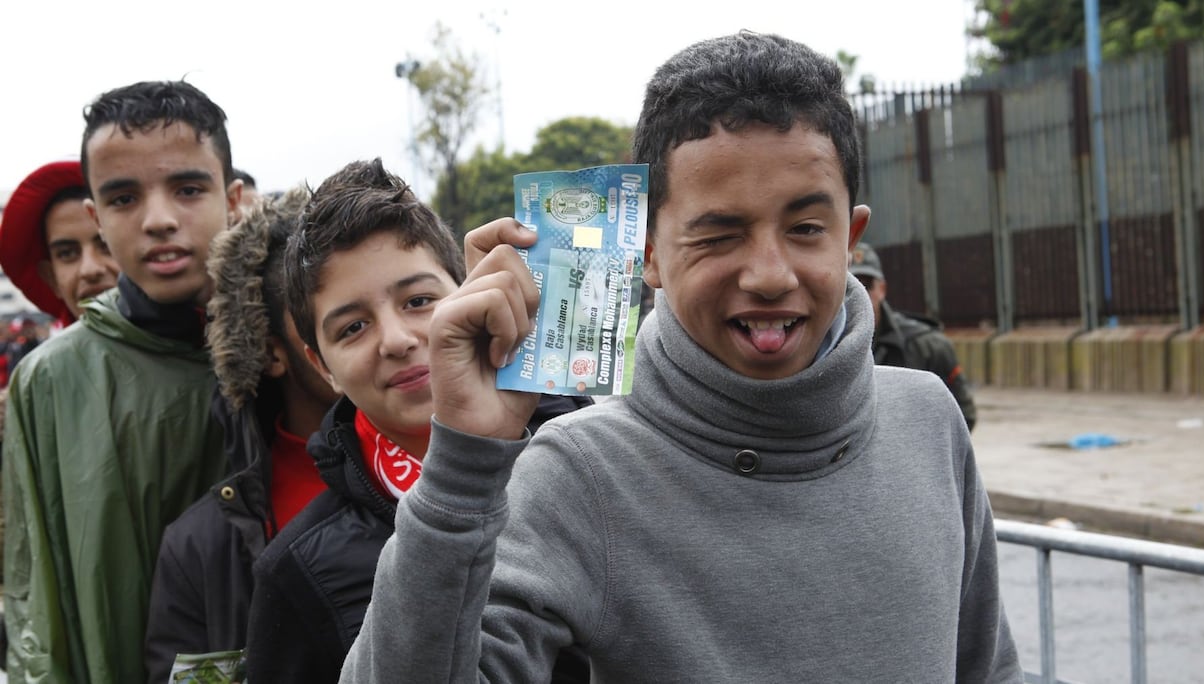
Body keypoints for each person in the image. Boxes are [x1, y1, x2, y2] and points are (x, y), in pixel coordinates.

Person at [340, 31, 1022, 682]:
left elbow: (987, 669)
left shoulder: (928, 418)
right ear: (649, 257)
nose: (769, 274)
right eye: (719, 236)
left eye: (807, 228)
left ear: (851, 238)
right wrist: (463, 466)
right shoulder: (579, 474)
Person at [243, 158, 592, 684]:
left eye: (419, 300)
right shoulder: (298, 570)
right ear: (321, 366)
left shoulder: (588, 451)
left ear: (473, 289)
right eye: (353, 327)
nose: (397, 339)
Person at [3, 79, 242, 682]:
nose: (158, 220)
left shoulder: (298, 350)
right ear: (96, 217)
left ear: (233, 199)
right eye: (124, 198)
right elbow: (35, 594)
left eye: (188, 189)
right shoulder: (50, 381)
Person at [143, 185, 339, 683]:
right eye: (335, 316)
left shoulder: (493, 459)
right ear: (272, 352)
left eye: (413, 300)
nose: (391, 335)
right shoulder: (200, 546)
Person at [849, 241, 977, 430]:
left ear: (882, 289)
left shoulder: (928, 346)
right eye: (849, 285)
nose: (859, 294)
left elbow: (963, 415)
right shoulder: (820, 347)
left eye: (866, 285)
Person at [0, 159, 121, 325]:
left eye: (106, 244)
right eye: (67, 253)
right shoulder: (47, 352)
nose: (90, 270)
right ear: (51, 278)